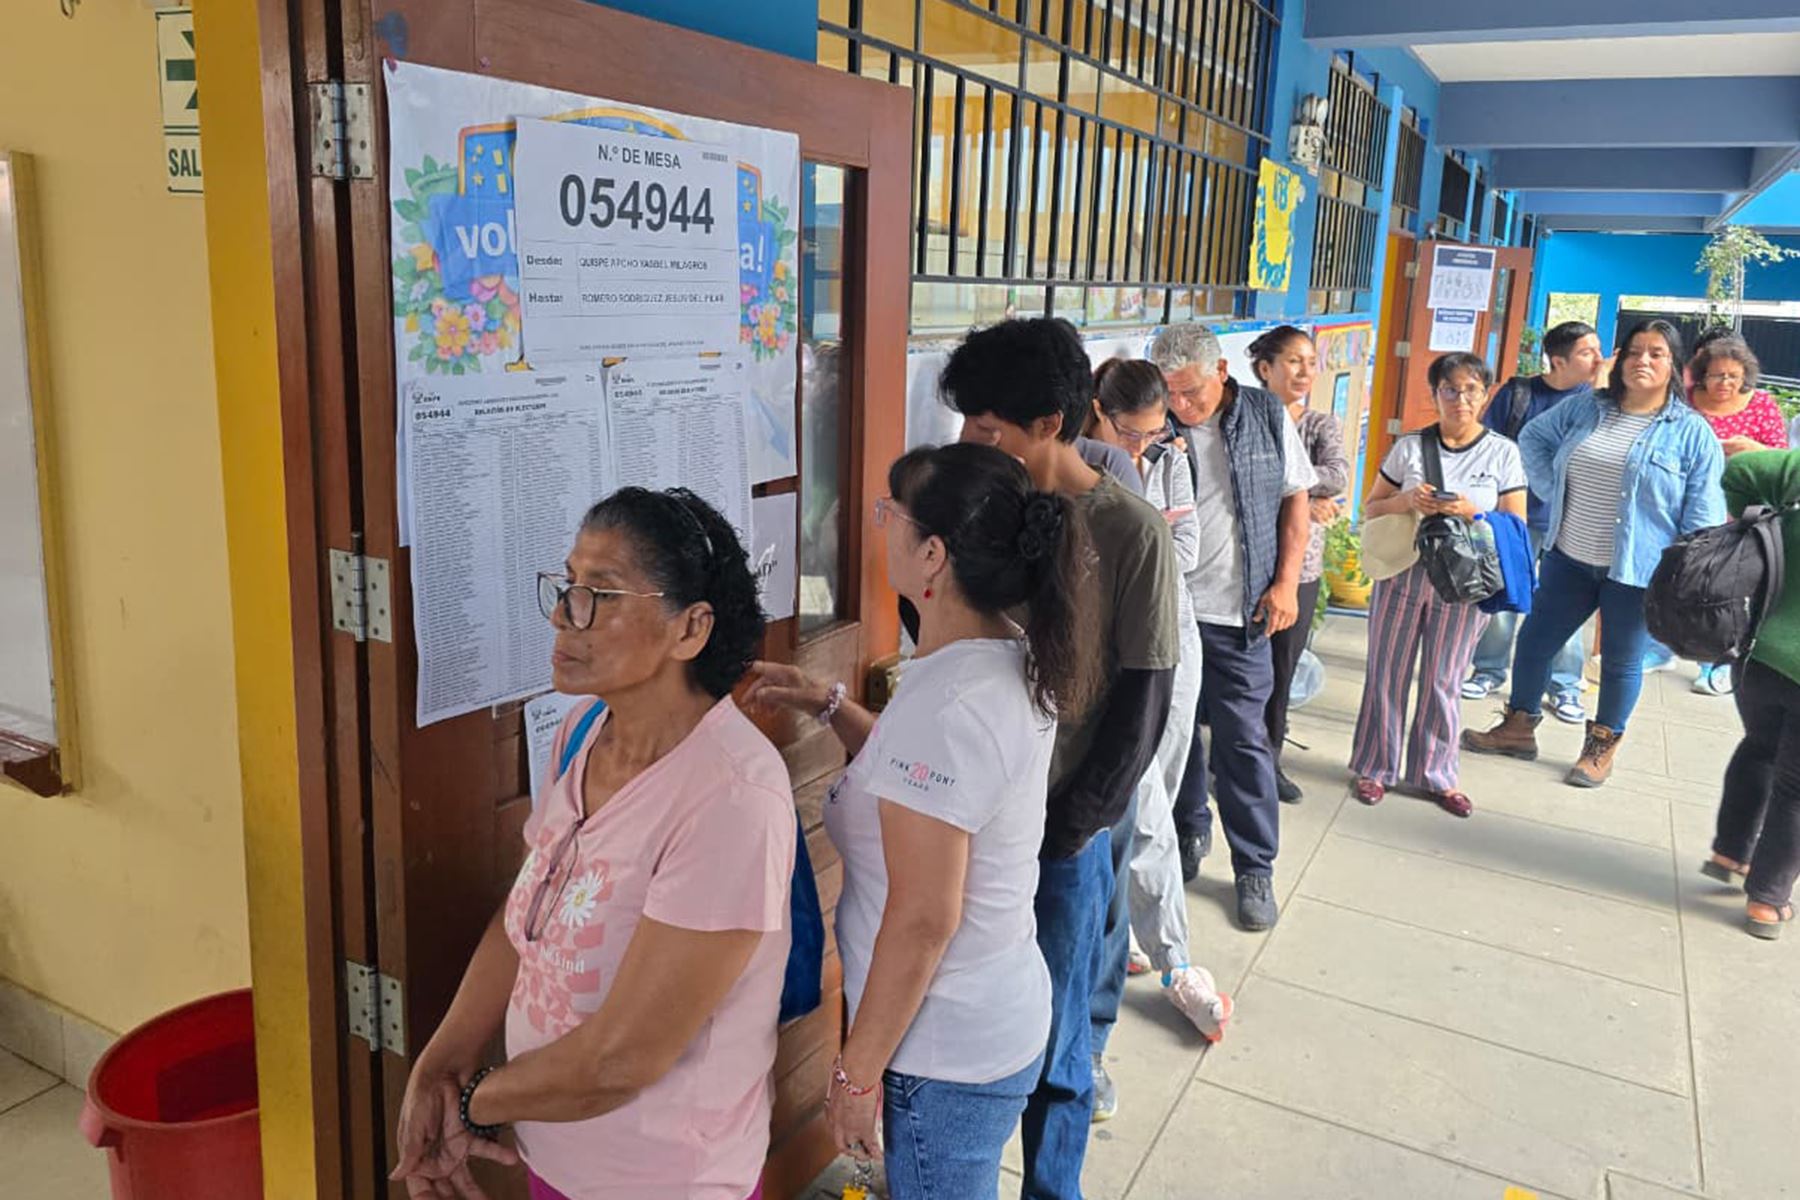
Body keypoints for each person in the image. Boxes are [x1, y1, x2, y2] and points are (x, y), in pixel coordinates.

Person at [392, 488, 792, 1200]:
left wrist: (464, 1104)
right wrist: (439, 1061)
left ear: (690, 628)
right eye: (567, 585)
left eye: (600, 595)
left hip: (667, 1181)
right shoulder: (581, 736)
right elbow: (526, 919)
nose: (563, 616)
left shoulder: (730, 797)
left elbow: (622, 1059)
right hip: (557, 1154)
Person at [745, 442, 1097, 1198]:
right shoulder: (998, 653)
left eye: (888, 515)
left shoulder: (950, 706)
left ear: (932, 553)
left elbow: (924, 917)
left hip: (945, 1049)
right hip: (988, 1014)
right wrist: (828, 705)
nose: (877, 527)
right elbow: (932, 795)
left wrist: (856, 1072)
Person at [940, 317, 1179, 1199]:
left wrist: (1072, 831)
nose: (971, 439)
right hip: (975, 815)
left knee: (1061, 1032)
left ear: (1050, 424)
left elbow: (1142, 702)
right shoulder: (985, 511)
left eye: (988, 425)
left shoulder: (1129, 532)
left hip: (1063, 830)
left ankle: (1051, 1187)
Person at [1464, 320, 1725, 788]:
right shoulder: (1587, 408)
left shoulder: (1692, 433)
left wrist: (1682, 577)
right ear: (1621, 360)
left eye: (1657, 354)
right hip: (1569, 555)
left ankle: (1600, 749)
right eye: (1635, 352)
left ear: (1674, 367)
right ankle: (1518, 727)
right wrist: (1550, 490)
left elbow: (1702, 518)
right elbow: (1533, 440)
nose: (1643, 361)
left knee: (1622, 660)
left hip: (1638, 571)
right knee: (1536, 641)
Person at [1082, 358, 1234, 1059]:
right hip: (1115, 652)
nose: (1141, 446)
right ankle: (1173, 957)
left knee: (1158, 796)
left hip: (1174, 637)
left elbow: (1182, 551)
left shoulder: (1169, 461)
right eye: (1131, 432)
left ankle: (1136, 929)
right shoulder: (1082, 464)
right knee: (1138, 802)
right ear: (1097, 411)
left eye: (1153, 432)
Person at [1151, 322, 1317, 930]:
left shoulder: (1267, 416)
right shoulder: (1155, 419)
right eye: (1170, 392)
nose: (1180, 405)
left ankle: (1255, 866)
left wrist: (1284, 582)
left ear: (1222, 372)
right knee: (1175, 730)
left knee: (1243, 739)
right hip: (1168, 610)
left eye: (1191, 391)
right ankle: (1189, 830)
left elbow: (1296, 500)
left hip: (1239, 610)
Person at [1349, 353, 1528, 817]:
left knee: (1444, 679)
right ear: (1435, 395)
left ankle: (1437, 775)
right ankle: (1375, 766)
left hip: (1466, 582)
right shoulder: (1409, 448)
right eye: (1450, 390)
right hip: (1405, 571)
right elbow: (1371, 507)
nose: (1460, 399)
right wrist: (1408, 500)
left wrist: (1473, 512)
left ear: (1486, 394)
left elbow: (1517, 522)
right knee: (1386, 672)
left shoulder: (1503, 453)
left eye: (1471, 389)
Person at [1463, 321, 1605, 722]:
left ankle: (1563, 684)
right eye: (1586, 352)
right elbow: (1488, 446)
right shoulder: (1519, 393)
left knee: (1571, 605)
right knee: (1503, 592)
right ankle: (1488, 669)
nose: (1597, 358)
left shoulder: (1600, 401)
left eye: (1597, 349)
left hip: (1573, 519)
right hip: (1516, 515)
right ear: (1558, 361)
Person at [1246, 326, 1350, 802]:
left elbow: (1338, 475)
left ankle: (1268, 761)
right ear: (1265, 368)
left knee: (1282, 669)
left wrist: (1289, 494)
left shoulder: (1320, 425)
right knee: (1239, 666)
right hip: (1245, 562)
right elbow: (1234, 482)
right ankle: (1227, 756)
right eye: (1294, 361)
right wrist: (1304, 501)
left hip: (1299, 569)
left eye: (1311, 361)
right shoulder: (1244, 419)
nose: (1305, 371)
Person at [1703, 448, 1800, 940]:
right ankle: (1767, 899)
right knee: (1797, 790)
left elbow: (1739, 469)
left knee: (1759, 748)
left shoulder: (1796, 472)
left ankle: (1730, 851)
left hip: (1759, 653)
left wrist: (1752, 528)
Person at [1682, 334, 1787, 696]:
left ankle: (1717, 663)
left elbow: (1779, 458)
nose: (1725, 383)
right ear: (1701, 376)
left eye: (1732, 376)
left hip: (1741, 514)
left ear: (1746, 376)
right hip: (1689, 506)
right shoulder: (1687, 402)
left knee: (1725, 590)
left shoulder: (1761, 405)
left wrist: (1748, 448)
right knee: (1679, 579)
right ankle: (1659, 647)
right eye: (1716, 376)